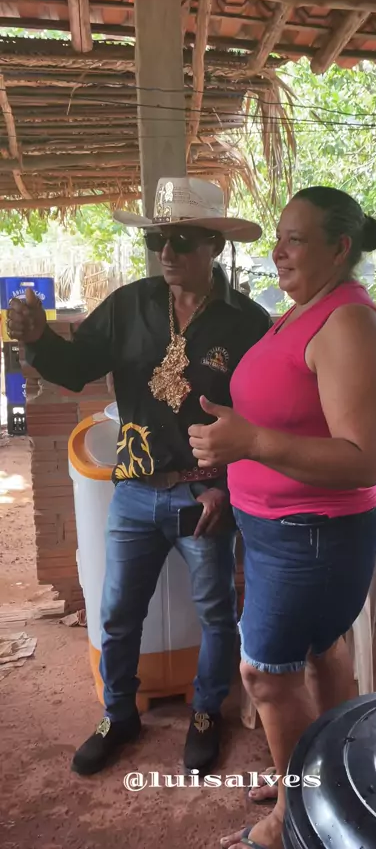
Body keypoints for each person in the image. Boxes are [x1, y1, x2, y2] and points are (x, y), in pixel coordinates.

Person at [7, 177, 271, 778]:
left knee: (216, 613)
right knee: (119, 613)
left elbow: (263, 418)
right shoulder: (129, 306)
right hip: (133, 489)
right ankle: (118, 714)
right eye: (158, 241)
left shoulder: (248, 324)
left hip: (205, 495)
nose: (167, 253)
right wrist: (39, 338)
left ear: (214, 246)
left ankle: (206, 713)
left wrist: (227, 489)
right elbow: (75, 368)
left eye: (182, 240)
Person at [188, 186, 376, 849]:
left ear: (340, 248)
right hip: (287, 530)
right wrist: (239, 439)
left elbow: (364, 459)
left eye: (296, 239)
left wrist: (250, 442)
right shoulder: (304, 312)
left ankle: (291, 820)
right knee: (321, 652)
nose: (279, 252)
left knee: (264, 675)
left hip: (311, 535)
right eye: (278, 238)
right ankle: (325, 780)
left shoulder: (350, 324)